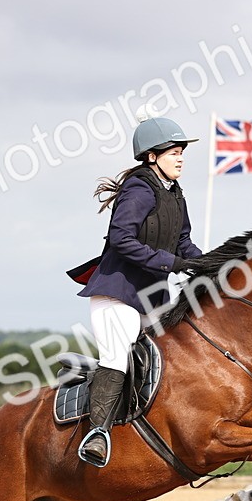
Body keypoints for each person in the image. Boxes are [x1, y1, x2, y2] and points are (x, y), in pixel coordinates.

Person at [66, 111, 203, 467]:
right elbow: (120, 239)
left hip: (152, 299)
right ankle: (98, 433)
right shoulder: (139, 189)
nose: (181, 158)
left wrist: (210, 264)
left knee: (176, 352)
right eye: (174, 152)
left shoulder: (175, 194)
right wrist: (170, 264)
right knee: (117, 355)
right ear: (151, 156)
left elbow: (184, 242)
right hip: (117, 293)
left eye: (181, 151)